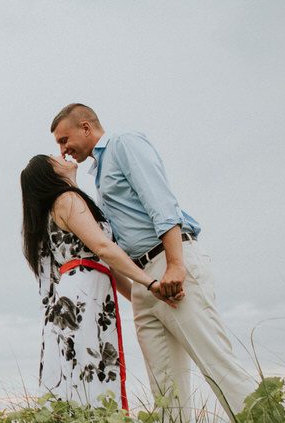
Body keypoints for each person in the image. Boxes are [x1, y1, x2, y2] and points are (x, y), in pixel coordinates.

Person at [49, 103, 255, 423]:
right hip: (147, 282)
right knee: (166, 390)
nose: (63, 150)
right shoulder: (99, 173)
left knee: (216, 364)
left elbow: (161, 202)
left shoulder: (123, 143)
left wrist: (175, 265)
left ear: (86, 127)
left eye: (64, 139)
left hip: (169, 262)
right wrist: (143, 294)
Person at [20, 154, 175, 409]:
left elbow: (106, 264)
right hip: (84, 292)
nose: (61, 154)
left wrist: (141, 297)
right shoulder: (67, 200)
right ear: (50, 172)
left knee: (82, 363)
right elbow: (104, 248)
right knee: (91, 361)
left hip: (80, 289)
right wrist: (150, 283)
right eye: (53, 157)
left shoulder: (62, 204)